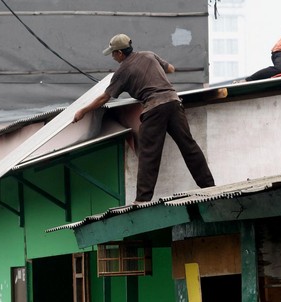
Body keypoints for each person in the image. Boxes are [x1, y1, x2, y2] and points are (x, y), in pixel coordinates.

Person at [73, 34, 215, 204]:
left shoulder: (122, 71)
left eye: (113, 53)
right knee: (188, 145)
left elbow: (105, 98)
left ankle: (142, 199)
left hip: (154, 108)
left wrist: (83, 110)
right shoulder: (149, 54)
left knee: (149, 153)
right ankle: (209, 186)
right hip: (174, 102)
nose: (112, 56)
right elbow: (170, 68)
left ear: (119, 53)